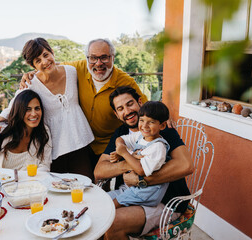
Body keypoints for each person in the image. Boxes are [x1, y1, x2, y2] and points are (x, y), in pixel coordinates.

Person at [0, 38, 95, 179]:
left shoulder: (71, 71)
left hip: (81, 141)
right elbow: (11, 109)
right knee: (58, 190)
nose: (44, 62)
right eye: (38, 61)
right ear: (33, 66)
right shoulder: (31, 83)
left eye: (46, 55)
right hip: (55, 149)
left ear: (52, 52)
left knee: (86, 185)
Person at [19, 39, 148, 167]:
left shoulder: (125, 81)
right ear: (87, 58)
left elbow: (146, 108)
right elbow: (50, 66)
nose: (98, 63)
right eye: (93, 58)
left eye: (104, 57)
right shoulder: (77, 68)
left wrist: (165, 118)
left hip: (109, 147)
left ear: (113, 57)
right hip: (82, 143)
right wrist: (33, 74)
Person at [93, 86, 193, 239]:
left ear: (140, 102)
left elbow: (186, 165)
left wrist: (141, 179)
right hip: (130, 193)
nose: (127, 111)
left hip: (166, 202)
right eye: (120, 108)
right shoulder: (121, 134)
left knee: (112, 222)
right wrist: (129, 162)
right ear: (116, 114)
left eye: (129, 104)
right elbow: (99, 171)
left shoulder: (161, 131)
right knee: (94, 212)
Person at [0, 90, 52, 172]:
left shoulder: (44, 132)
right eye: (28, 109)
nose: (34, 114)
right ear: (19, 111)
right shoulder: (0, 131)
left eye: (37, 108)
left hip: (29, 183)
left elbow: (44, 165)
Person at [110, 101, 171, 209]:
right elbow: (121, 139)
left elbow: (141, 170)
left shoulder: (158, 147)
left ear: (162, 125)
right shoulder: (140, 136)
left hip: (147, 192)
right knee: (105, 198)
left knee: (112, 205)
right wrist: (120, 148)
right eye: (142, 120)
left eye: (151, 122)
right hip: (132, 187)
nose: (144, 126)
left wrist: (124, 153)